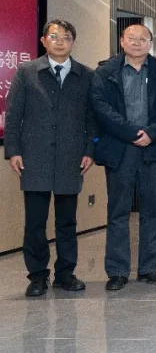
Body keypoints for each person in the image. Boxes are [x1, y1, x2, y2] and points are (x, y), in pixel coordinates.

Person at [5, 20, 96, 297]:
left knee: (67, 222)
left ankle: (66, 274)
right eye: (54, 36)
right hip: (35, 157)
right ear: (44, 40)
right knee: (35, 222)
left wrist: (89, 150)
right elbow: (13, 115)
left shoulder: (86, 75)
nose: (59, 42)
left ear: (73, 42)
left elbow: (91, 118)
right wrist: (13, 150)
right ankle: (37, 276)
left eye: (66, 37)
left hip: (71, 157)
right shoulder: (27, 72)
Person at [90, 24, 156, 290]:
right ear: (122, 41)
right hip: (120, 148)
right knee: (118, 211)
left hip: (153, 147)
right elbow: (101, 107)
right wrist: (130, 133)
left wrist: (151, 133)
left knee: (152, 211)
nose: (137, 42)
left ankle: (150, 267)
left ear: (150, 43)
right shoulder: (105, 71)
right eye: (132, 38)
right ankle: (117, 271)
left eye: (143, 39)